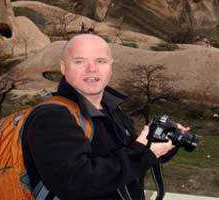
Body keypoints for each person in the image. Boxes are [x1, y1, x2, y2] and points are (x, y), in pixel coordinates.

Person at [22, 34, 186, 200]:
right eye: (80, 61)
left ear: (110, 67)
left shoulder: (112, 109)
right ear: (64, 68)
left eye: (100, 61)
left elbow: (127, 159)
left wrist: (163, 143)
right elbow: (76, 182)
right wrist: (142, 154)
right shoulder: (52, 118)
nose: (92, 68)